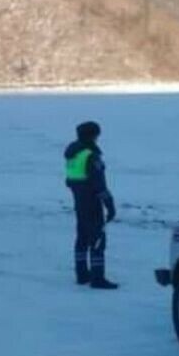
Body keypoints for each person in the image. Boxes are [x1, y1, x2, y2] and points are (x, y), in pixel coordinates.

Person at [64, 121, 118, 289]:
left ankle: (81, 274)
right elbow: (99, 184)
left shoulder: (74, 154)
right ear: (93, 135)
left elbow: (69, 180)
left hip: (79, 201)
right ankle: (97, 277)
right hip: (92, 202)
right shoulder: (90, 156)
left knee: (82, 238)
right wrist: (109, 205)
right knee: (97, 239)